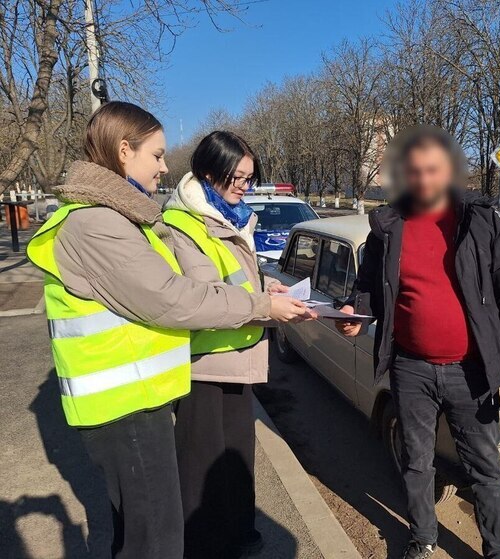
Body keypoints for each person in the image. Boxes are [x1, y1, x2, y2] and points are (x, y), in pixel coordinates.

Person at [26, 102, 311, 559]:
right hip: (125, 404)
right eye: (157, 154)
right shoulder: (98, 224)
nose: (164, 165)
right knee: (156, 539)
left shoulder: (116, 219)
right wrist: (263, 303)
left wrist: (262, 291)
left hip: (140, 394)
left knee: (146, 532)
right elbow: (173, 298)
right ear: (124, 151)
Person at [336, 125, 500, 559]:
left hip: (471, 370)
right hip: (411, 368)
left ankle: (499, 551)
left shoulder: (482, 221)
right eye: (413, 171)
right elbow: (370, 286)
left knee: (485, 468)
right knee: (417, 462)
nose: (423, 180)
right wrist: (355, 312)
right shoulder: (388, 225)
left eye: (432, 170)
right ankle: (423, 537)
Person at [162, 131, 309, 558]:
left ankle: (238, 533)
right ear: (209, 172)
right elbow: (201, 298)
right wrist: (265, 305)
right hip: (205, 363)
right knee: (201, 466)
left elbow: (235, 280)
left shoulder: (230, 215)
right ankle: (205, 545)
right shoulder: (183, 225)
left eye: (249, 177)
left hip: (237, 357)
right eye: (237, 177)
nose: (245, 186)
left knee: (235, 458)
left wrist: (268, 288)